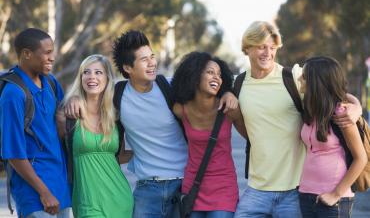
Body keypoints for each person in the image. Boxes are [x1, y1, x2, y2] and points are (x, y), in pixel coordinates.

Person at [64, 30, 238, 218]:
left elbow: (207, 86)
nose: (152, 63)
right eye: (143, 60)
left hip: (183, 184)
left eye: (152, 57)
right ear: (128, 68)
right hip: (147, 189)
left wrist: (228, 92)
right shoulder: (118, 94)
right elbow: (94, 90)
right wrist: (74, 99)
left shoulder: (170, 86)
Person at [234, 21, 362, 218]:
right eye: (261, 47)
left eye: (272, 47)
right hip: (257, 189)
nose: (268, 53)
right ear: (247, 48)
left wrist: (356, 107)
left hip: (295, 190)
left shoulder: (292, 76)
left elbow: (332, 92)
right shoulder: (238, 84)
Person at [0, 28, 71, 217]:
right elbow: (13, 154)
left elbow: (62, 126)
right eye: (47, 52)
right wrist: (44, 193)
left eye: (52, 52)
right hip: (35, 195)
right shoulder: (13, 94)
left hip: (61, 186)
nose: (52, 57)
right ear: (26, 54)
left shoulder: (51, 83)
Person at [171, 51, 247, 218]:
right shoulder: (180, 109)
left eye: (219, 75)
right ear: (195, 76)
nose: (216, 78)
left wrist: (229, 93)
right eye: (210, 72)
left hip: (223, 187)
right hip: (193, 185)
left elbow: (251, 137)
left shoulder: (229, 109)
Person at [58, 54, 133, 217]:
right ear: (81, 77)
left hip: (120, 199)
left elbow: (117, 157)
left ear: (107, 78)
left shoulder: (116, 115)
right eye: (87, 72)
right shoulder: (67, 115)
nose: (92, 76)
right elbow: (58, 155)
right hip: (87, 202)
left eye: (98, 72)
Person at [297, 56, 367, 218]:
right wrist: (356, 102)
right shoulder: (309, 109)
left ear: (316, 82)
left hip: (334, 200)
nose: (300, 78)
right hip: (306, 195)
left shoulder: (341, 114)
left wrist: (336, 194)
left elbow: (360, 158)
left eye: (305, 76)